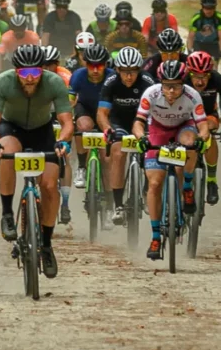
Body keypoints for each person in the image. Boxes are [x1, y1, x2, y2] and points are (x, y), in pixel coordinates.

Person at [0, 44, 74, 278]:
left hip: (42, 131)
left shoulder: (54, 83)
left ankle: (46, 244)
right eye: (24, 72)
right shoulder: (2, 82)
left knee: (49, 186)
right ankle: (6, 213)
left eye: (35, 71)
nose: (31, 78)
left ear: (43, 70)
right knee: (6, 152)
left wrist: (63, 141)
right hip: (12, 128)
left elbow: (67, 122)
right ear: (16, 71)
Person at [132, 60, 211, 260]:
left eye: (176, 86)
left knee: (190, 142)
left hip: (183, 127)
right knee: (154, 184)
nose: (171, 91)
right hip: (158, 131)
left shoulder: (192, 95)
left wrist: (202, 139)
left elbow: (203, 127)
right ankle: (155, 236)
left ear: (183, 84)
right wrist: (141, 138)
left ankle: (187, 186)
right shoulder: (150, 94)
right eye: (167, 85)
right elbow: (138, 123)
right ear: (161, 84)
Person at [97, 47, 156, 225]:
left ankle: (146, 190)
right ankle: (118, 205)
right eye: (124, 72)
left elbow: (157, 111)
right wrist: (107, 128)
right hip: (119, 121)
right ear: (117, 70)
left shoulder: (147, 82)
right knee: (117, 152)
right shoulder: (111, 82)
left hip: (143, 121)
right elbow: (102, 113)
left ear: (140, 70)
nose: (129, 76)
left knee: (150, 150)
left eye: (133, 71)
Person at [185, 50, 221, 205]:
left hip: (208, 115)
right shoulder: (181, 80)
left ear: (210, 74)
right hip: (185, 117)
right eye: (196, 77)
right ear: (189, 73)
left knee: (209, 132)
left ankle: (211, 180)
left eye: (204, 77)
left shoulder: (217, 79)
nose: (200, 82)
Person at [68, 43, 115, 192]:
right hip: (85, 107)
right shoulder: (77, 76)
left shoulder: (112, 76)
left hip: (107, 111)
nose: (95, 70)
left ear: (105, 64)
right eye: (91, 65)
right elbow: (70, 101)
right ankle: (82, 167)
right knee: (83, 126)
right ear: (85, 63)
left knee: (106, 158)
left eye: (99, 66)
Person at [42, 45, 75, 223]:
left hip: (61, 114)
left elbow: (71, 102)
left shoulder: (65, 76)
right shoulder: (35, 75)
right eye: (44, 64)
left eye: (51, 64)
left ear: (57, 64)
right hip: (43, 115)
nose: (47, 68)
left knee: (65, 157)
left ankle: (66, 204)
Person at [187, 0, 221, 66]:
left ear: (215, 7)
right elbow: (191, 37)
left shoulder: (220, 18)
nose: (209, 11)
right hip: (199, 44)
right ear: (202, 7)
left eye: (211, 8)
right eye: (206, 8)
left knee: (214, 68)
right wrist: (190, 51)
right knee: (198, 66)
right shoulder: (196, 18)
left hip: (214, 44)